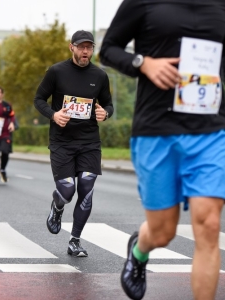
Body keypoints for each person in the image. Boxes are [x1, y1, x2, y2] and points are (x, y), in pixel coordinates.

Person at [100, 1, 225, 300]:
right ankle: (139, 250)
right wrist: (143, 63)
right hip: (156, 130)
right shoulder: (143, 2)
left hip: (210, 131)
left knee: (209, 225)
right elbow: (108, 49)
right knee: (163, 232)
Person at [34, 30, 113, 257]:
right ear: (72, 48)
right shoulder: (56, 71)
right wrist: (53, 115)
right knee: (68, 190)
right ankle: (57, 207)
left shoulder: (100, 76)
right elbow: (38, 99)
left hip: (89, 141)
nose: (85, 51)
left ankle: (75, 241)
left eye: (89, 47)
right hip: (62, 142)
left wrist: (105, 113)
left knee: (86, 190)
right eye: (81, 47)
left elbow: (108, 104)